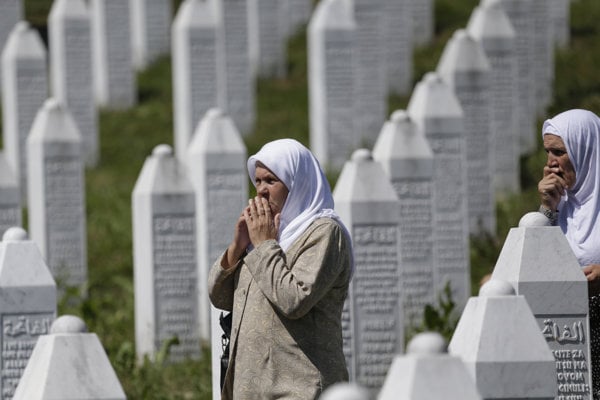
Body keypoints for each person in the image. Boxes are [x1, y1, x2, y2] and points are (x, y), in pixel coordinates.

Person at [208, 138, 353, 400]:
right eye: (258, 181)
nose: (261, 191)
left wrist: (264, 246)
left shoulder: (325, 233)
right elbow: (220, 297)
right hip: (252, 388)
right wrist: (237, 247)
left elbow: (294, 300)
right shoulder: (269, 237)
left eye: (271, 181)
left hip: (299, 388)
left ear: (296, 183)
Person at [537, 109, 600, 399]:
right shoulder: (562, 207)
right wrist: (548, 209)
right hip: (567, 338)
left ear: (585, 150)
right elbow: (535, 264)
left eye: (559, 152)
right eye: (548, 151)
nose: (551, 162)